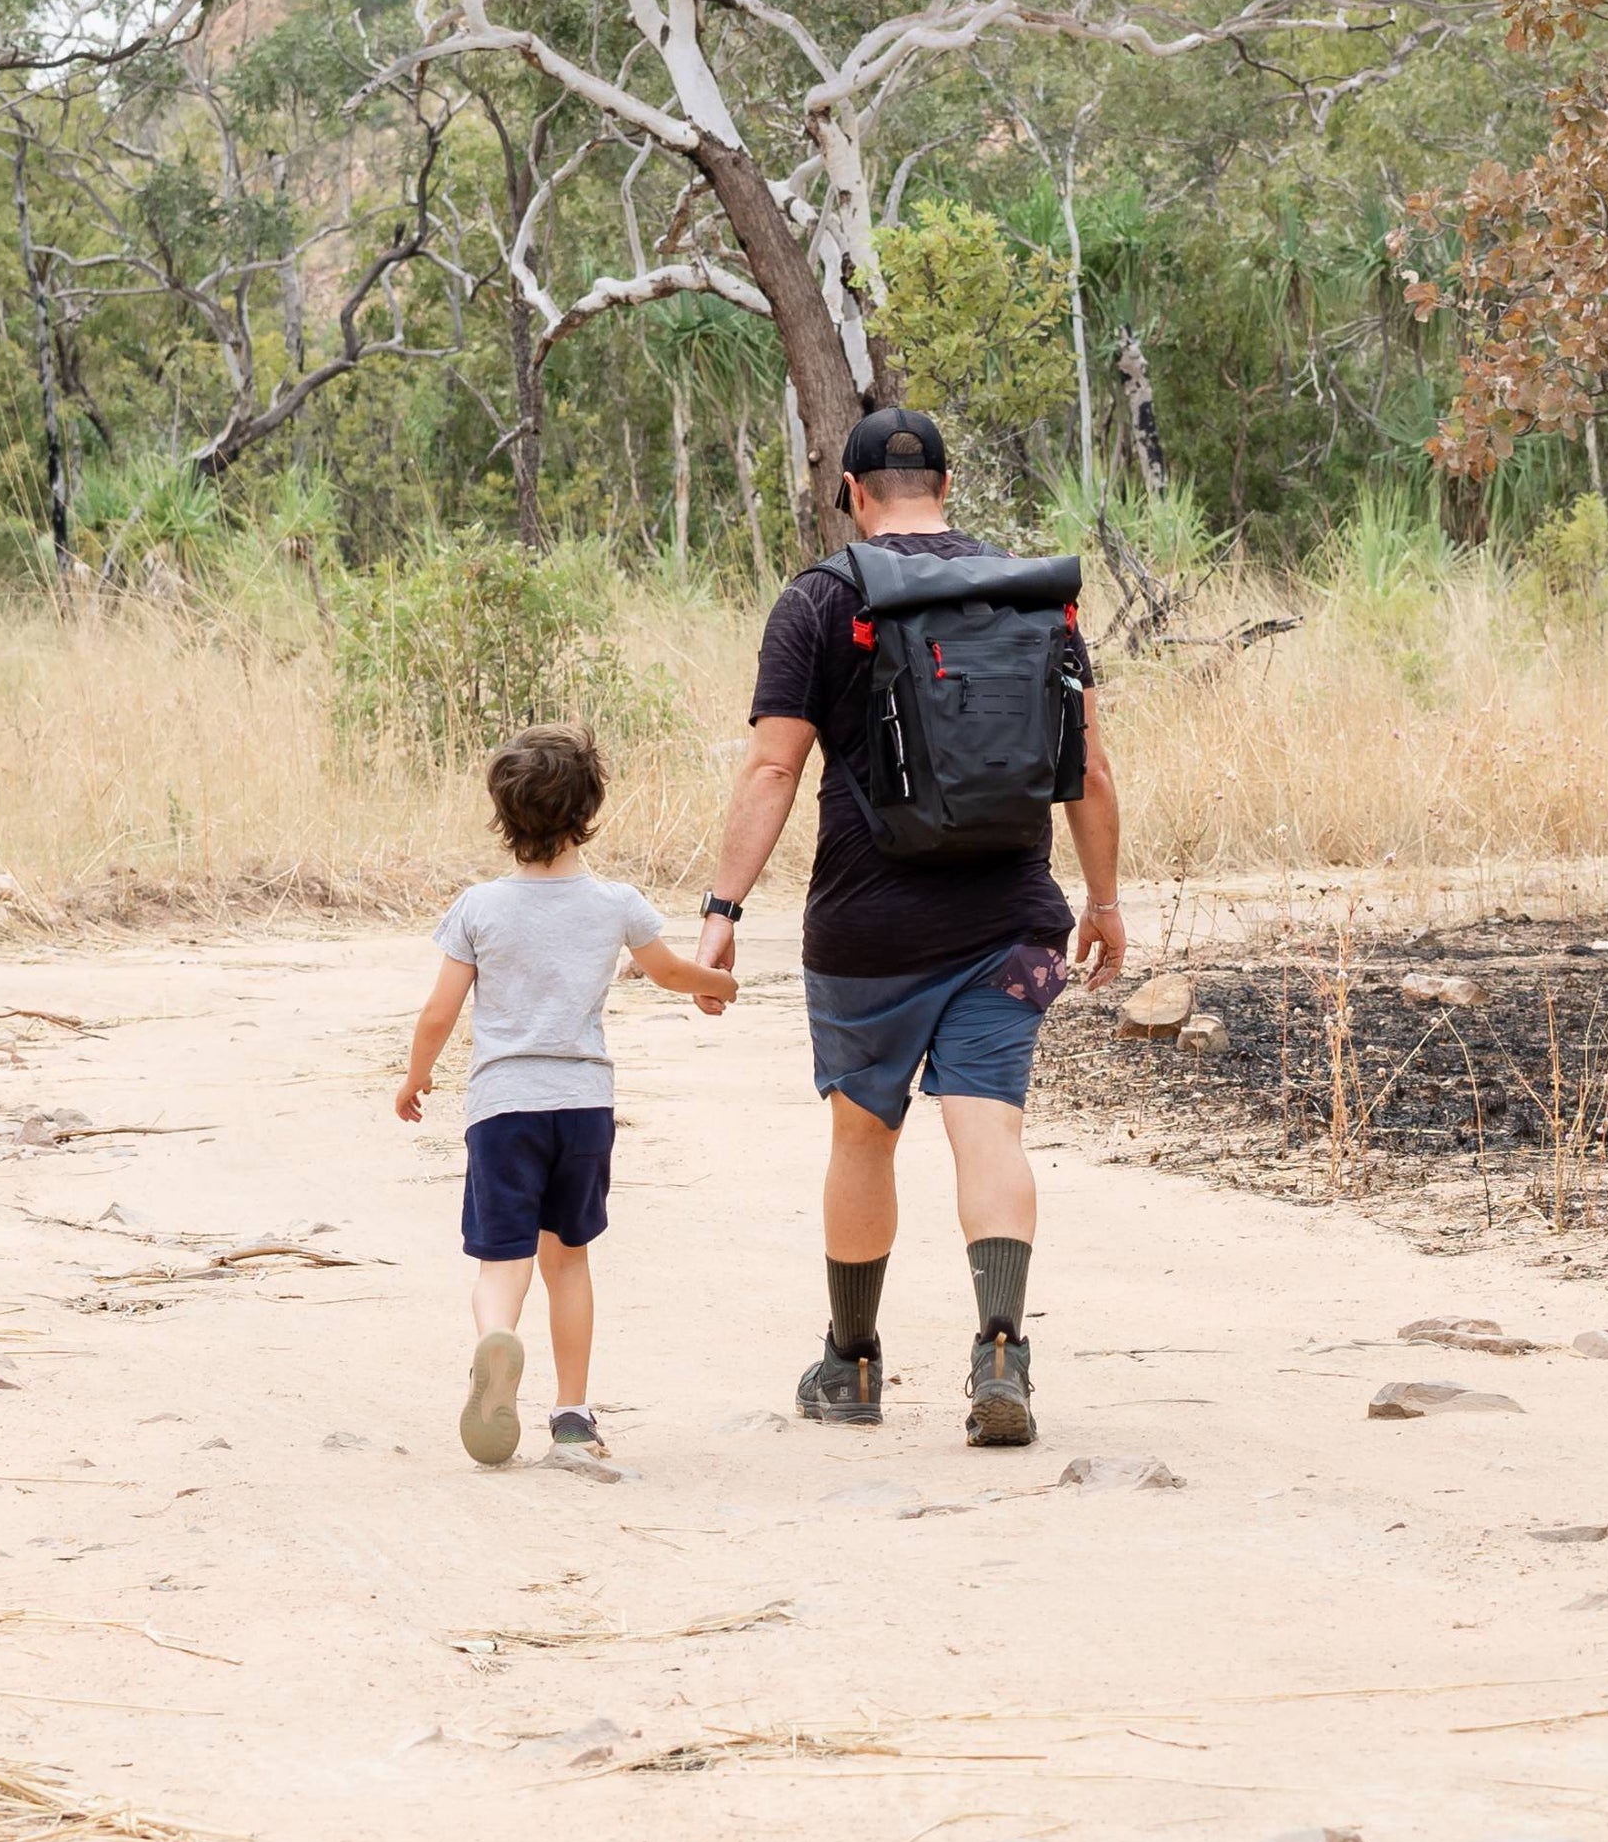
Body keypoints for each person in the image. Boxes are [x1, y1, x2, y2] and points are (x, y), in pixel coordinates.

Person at [693, 408, 1125, 1446]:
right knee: (990, 1127)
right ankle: (1003, 1346)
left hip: (865, 929)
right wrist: (1104, 901)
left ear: (850, 490)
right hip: (1013, 917)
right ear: (946, 481)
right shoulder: (1028, 594)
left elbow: (772, 767)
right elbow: (1091, 769)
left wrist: (721, 909)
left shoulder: (820, 600)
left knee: (861, 1133)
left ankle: (852, 1363)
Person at [395, 722, 737, 1466]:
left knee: (502, 1259)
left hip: (503, 1107)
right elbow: (673, 971)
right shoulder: (614, 902)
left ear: (503, 815)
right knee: (570, 1258)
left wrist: (416, 1077)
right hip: (582, 1109)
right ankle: (574, 1414)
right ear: (589, 808)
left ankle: (498, 1338)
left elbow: (439, 1012)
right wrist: (721, 984)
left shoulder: (479, 907)